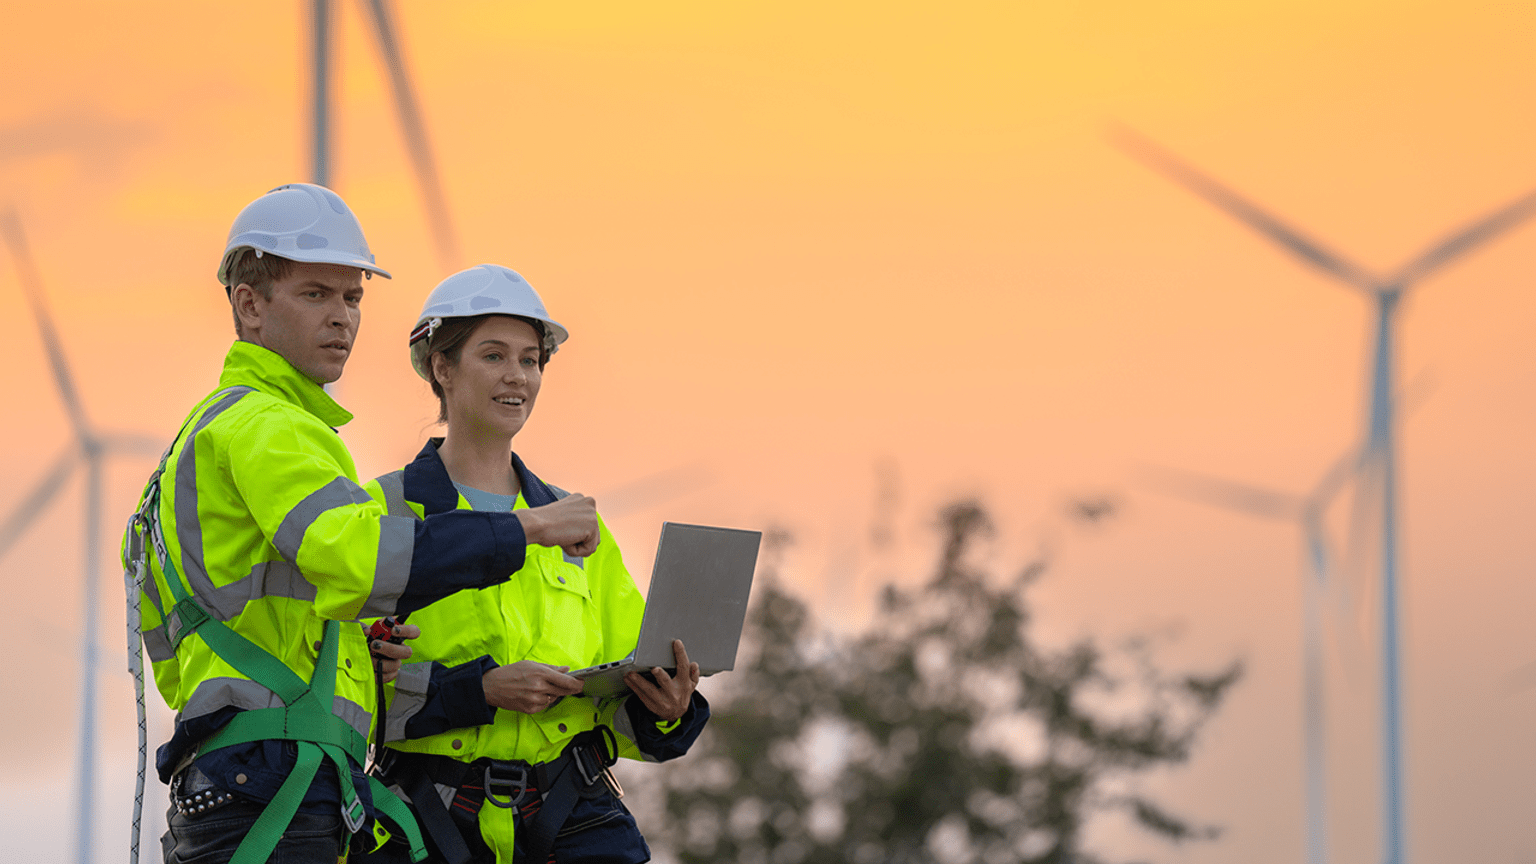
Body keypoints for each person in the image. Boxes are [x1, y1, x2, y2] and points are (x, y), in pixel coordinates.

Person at [122, 185, 603, 864]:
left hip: (251, 772)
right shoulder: (270, 425)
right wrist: (527, 530)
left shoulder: (211, 433)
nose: (342, 318)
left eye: (352, 299)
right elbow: (364, 562)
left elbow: (238, 622)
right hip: (270, 779)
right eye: (316, 294)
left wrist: (355, 649)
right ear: (250, 304)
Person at [355, 264, 710, 864]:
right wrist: (481, 690)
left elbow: (625, 690)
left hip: (575, 817)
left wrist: (668, 709)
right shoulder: (378, 516)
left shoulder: (579, 527)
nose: (517, 376)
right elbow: (346, 690)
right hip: (424, 818)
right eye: (493, 356)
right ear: (442, 367)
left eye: (530, 359)